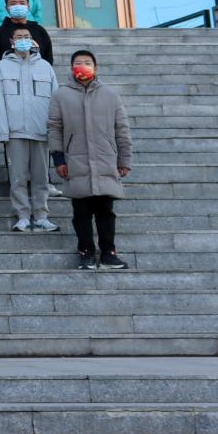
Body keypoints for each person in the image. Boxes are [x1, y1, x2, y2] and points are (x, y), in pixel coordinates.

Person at [48, 50, 132, 270]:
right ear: (71, 68)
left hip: (105, 160)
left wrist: (124, 159)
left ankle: (108, 253)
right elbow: (55, 128)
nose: (83, 65)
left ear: (96, 68)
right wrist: (58, 158)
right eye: (78, 62)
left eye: (87, 62)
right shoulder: (61, 95)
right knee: (81, 212)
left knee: (106, 211)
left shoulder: (110, 95)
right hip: (76, 161)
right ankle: (86, 252)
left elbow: (122, 129)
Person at [0, 24, 58, 233]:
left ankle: (41, 215)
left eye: (27, 36)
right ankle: (22, 215)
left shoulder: (45, 67)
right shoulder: (1, 67)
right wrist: (3, 131)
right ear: (12, 42)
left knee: (41, 177)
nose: (23, 39)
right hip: (15, 131)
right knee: (18, 177)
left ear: (33, 41)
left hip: (41, 131)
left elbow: (55, 100)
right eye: (19, 36)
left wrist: (54, 130)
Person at [0, 0, 54, 74]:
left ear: (28, 7)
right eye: (13, 3)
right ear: (6, 8)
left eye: (22, 3)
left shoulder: (40, 31)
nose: (18, 6)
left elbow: (48, 59)